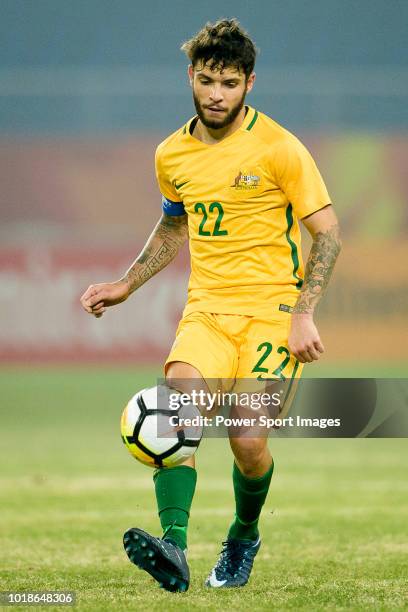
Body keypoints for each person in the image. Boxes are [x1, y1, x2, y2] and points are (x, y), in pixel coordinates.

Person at [80, 18, 341, 593]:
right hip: (207, 310)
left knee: (248, 443)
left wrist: (304, 312)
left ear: (250, 83)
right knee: (178, 412)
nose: (215, 94)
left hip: (271, 312)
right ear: (191, 77)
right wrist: (128, 282)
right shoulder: (171, 154)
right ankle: (173, 544)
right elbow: (176, 225)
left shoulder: (279, 147)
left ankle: (244, 533)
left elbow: (327, 233)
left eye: (228, 83)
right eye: (205, 81)